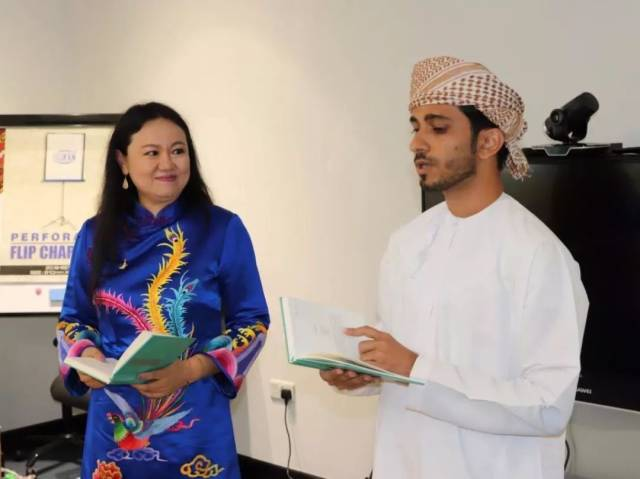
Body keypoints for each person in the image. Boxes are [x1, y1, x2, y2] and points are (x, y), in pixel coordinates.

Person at [319, 56, 588, 478]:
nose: (417, 143)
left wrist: (415, 368)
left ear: (488, 142)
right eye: (415, 127)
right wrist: (364, 374)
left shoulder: (538, 255)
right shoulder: (406, 242)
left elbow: (548, 404)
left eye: (438, 128)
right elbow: (399, 361)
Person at [56, 102, 269, 478]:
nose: (167, 164)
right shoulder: (94, 234)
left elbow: (252, 323)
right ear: (123, 161)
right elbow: (73, 319)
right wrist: (86, 356)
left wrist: (190, 369)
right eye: (152, 153)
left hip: (196, 415)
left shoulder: (222, 230)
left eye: (178, 150)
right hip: (115, 418)